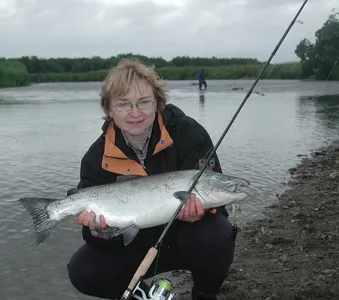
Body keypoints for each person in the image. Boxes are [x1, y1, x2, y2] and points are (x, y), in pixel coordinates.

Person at [67, 58, 236, 300]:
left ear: (157, 102)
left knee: (218, 234)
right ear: (109, 109)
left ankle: (204, 294)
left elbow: (217, 197)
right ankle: (142, 296)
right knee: (82, 269)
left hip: (186, 237)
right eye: (123, 104)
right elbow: (95, 242)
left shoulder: (189, 134)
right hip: (134, 246)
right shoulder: (96, 158)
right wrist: (98, 231)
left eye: (144, 102)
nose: (135, 113)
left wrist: (201, 213)